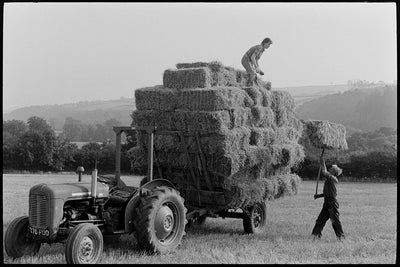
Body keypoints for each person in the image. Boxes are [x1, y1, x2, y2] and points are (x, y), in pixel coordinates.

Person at [311, 156, 345, 241]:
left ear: (333, 172)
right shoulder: (329, 179)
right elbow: (327, 193)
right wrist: (319, 196)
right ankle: (316, 234)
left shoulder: (332, 178)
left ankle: (340, 236)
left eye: (331, 168)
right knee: (320, 220)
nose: (330, 169)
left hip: (332, 203)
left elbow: (324, 171)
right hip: (327, 202)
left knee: (334, 221)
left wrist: (322, 161)